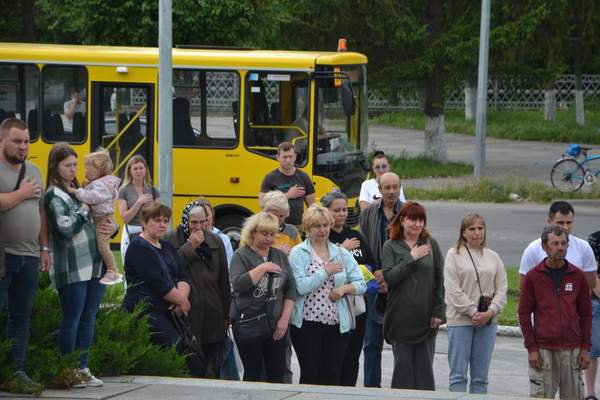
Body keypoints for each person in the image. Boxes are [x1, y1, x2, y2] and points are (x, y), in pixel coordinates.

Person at [44, 142, 117, 388]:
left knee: (89, 318)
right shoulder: (54, 195)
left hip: (95, 265)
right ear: (55, 167)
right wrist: (84, 210)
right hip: (72, 266)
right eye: (68, 165)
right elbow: (65, 227)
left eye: (75, 164)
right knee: (72, 319)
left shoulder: (82, 188)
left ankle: (83, 367)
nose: (73, 169)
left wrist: (112, 227)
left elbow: (103, 218)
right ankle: (68, 370)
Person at [123, 202, 204, 376]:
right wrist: (182, 301)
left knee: (186, 354)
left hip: (170, 310)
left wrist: (181, 299)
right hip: (145, 311)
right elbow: (159, 284)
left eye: (165, 220)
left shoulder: (166, 245)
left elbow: (182, 275)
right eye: (157, 220)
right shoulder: (139, 247)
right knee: (172, 350)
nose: (162, 224)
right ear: (144, 222)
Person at [289, 204, 366, 385]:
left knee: (332, 374)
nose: (322, 230)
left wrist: (344, 289)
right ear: (308, 227)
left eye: (325, 225)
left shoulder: (340, 252)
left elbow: (361, 283)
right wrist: (325, 272)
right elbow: (300, 286)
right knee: (310, 373)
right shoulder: (298, 253)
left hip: (337, 324)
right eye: (317, 226)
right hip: (307, 324)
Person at [0, 118, 50, 386]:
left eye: (26, 141)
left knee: (21, 317)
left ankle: (14, 372)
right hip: (3, 255)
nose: (23, 147)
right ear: (1, 141)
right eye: (17, 141)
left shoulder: (34, 169)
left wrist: (44, 247)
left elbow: (40, 210)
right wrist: (21, 193)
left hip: (30, 256)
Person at [519, 225, 592, 399]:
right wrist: (532, 348)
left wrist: (585, 348)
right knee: (541, 397)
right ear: (545, 246)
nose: (560, 247)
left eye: (563, 243)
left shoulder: (578, 276)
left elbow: (586, 314)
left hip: (572, 350)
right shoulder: (532, 277)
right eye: (555, 243)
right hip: (543, 351)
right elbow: (523, 314)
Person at [164, 200, 231, 378]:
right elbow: (168, 268)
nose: (199, 227)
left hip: (212, 314)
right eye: (194, 222)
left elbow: (224, 279)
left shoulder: (215, 240)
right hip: (186, 315)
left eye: (203, 222)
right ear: (186, 221)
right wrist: (189, 247)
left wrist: (226, 313)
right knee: (188, 366)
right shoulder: (170, 239)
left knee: (212, 369)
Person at [382, 201, 444, 390]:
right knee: (403, 370)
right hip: (401, 318)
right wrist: (412, 257)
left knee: (424, 371)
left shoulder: (431, 244)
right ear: (402, 220)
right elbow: (390, 277)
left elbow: (439, 279)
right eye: (412, 219)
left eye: (421, 220)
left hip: (426, 318)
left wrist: (438, 311)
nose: (417, 224)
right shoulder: (390, 246)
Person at [229, 212, 296, 383]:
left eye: (272, 234)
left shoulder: (279, 255)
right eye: (264, 233)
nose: (269, 238)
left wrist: (285, 318)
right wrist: (262, 267)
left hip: (276, 325)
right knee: (253, 373)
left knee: (277, 374)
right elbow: (238, 285)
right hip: (249, 324)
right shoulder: (241, 255)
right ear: (253, 233)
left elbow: (290, 288)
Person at [444, 213, 508, 394]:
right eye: (472, 229)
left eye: (480, 228)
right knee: (458, 375)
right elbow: (453, 290)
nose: (477, 233)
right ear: (463, 232)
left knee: (480, 378)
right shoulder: (453, 255)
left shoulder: (493, 256)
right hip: (461, 321)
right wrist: (473, 312)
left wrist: (489, 312)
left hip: (487, 322)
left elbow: (502, 288)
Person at [322, 191, 375, 386]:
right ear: (326, 212)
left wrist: (374, 274)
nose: (342, 214)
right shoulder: (322, 235)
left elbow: (370, 263)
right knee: (333, 358)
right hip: (332, 306)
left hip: (357, 305)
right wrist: (342, 248)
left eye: (344, 209)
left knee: (353, 356)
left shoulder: (355, 235)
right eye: (337, 210)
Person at [358, 171, 403, 387]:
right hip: (375, 284)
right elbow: (364, 246)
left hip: (400, 284)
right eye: (387, 188)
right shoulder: (368, 214)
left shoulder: (409, 212)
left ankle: (399, 389)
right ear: (380, 190)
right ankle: (371, 389)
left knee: (400, 344)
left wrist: (393, 274)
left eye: (395, 187)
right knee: (371, 342)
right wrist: (376, 272)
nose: (392, 191)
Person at [69, 148, 122, 285]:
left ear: (99, 171)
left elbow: (92, 197)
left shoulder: (101, 185)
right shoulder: (102, 183)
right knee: (103, 245)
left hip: (102, 219)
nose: (85, 171)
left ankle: (112, 271)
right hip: (103, 217)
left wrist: (75, 191)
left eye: (88, 168)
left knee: (103, 246)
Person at [519, 201, 596, 290]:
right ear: (549, 222)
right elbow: (524, 286)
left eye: (569, 222)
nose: (565, 227)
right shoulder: (533, 249)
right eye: (560, 222)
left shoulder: (584, 247)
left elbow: (590, 284)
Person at [259, 141, 315, 227]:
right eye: (284, 157)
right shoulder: (270, 178)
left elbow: (312, 207)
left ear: (295, 157)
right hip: (276, 226)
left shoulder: (303, 176)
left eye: (290, 156)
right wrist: (287, 195)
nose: (288, 160)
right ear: (278, 157)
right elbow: (263, 204)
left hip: (299, 226)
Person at [117, 155, 160, 260]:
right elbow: (125, 218)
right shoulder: (123, 190)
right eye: (135, 169)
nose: (138, 171)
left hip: (149, 231)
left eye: (141, 168)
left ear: (145, 170)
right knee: (131, 268)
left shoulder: (153, 190)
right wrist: (139, 202)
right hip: (131, 231)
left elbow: (159, 215)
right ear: (130, 171)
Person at [260, 190, 302, 256]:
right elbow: (247, 256)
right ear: (265, 212)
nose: (278, 219)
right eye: (274, 215)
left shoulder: (292, 231)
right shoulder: (255, 230)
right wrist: (277, 252)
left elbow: (301, 255)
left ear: (286, 214)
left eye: (281, 216)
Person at [195, 199, 234, 266]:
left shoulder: (223, 238)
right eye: (201, 215)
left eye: (207, 215)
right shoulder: (189, 237)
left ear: (213, 216)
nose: (205, 218)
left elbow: (229, 266)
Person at [586, 230, 600, 400]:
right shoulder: (595, 239)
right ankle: (590, 394)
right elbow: (591, 272)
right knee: (592, 350)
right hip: (597, 302)